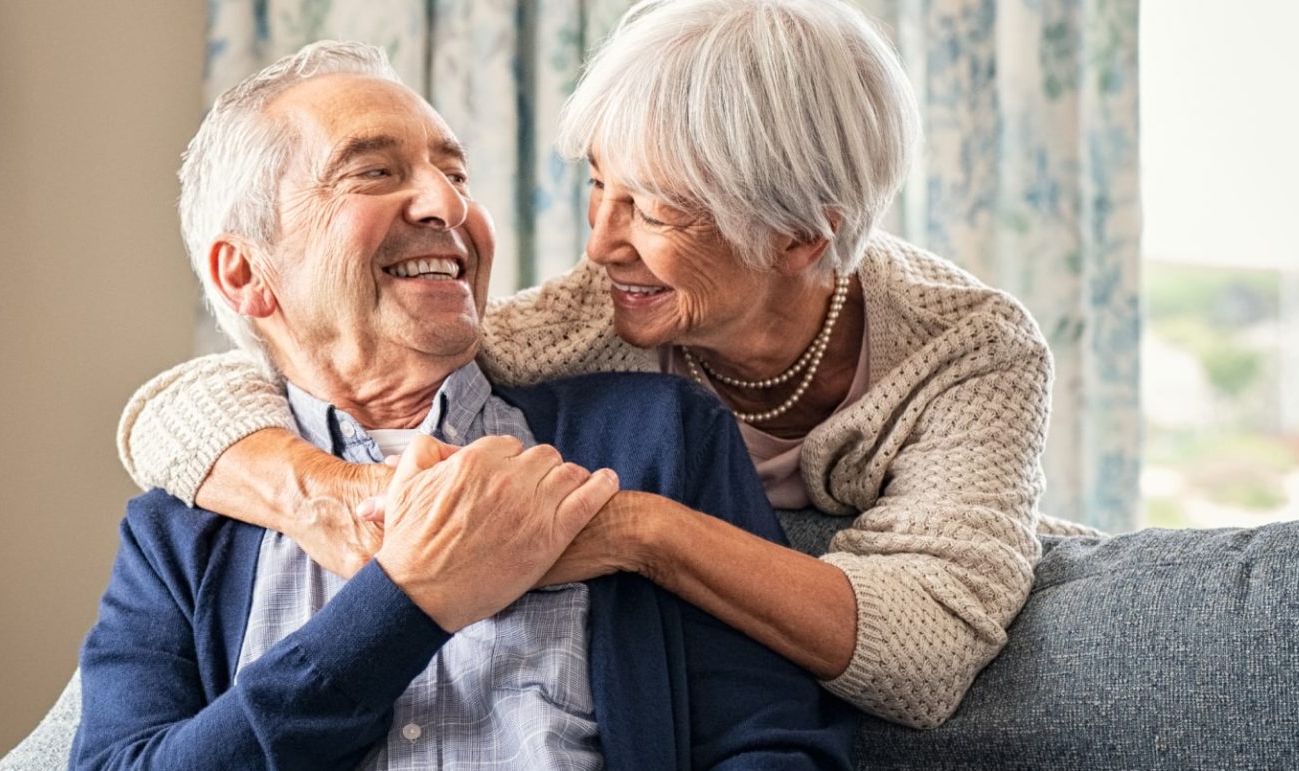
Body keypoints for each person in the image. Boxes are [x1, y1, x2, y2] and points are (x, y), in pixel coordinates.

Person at [117, 0, 1076, 729]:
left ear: (796, 238)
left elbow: (923, 653)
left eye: (653, 210)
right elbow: (195, 398)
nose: (603, 244)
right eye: (596, 186)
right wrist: (328, 494)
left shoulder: (970, 352)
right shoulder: (585, 324)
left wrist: (640, 531)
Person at [66, 41, 857, 771]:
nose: (445, 201)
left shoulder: (653, 438)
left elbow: (780, 764)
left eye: (457, 174)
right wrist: (406, 602)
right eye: (373, 172)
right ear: (245, 275)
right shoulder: (180, 530)